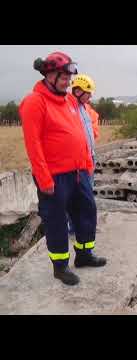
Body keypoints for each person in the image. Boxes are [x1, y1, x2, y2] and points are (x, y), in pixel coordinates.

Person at [19, 52, 106, 286]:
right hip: (55, 177)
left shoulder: (68, 100)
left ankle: (85, 255)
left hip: (79, 172)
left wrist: (87, 164)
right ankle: (60, 266)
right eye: (64, 77)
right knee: (56, 221)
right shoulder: (34, 102)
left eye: (69, 77)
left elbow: (81, 133)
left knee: (87, 213)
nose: (68, 82)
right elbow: (33, 144)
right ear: (49, 75)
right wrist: (43, 178)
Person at [69, 74, 99, 188]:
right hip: (79, 160)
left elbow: (93, 123)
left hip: (90, 155)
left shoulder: (85, 107)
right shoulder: (69, 107)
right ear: (78, 92)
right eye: (88, 92)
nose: (90, 96)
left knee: (89, 187)